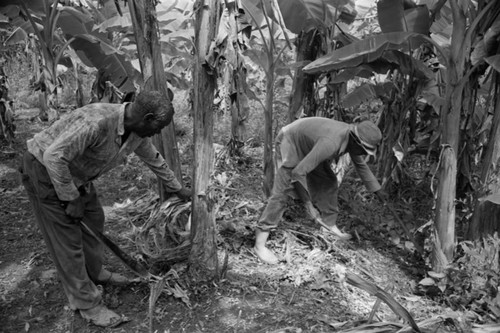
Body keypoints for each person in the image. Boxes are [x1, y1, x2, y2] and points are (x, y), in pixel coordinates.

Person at [19, 90, 191, 327]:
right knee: (67, 241)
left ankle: (95, 272)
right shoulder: (96, 122)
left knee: (94, 220)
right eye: (158, 126)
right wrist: (70, 198)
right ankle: (87, 303)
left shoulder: (136, 132)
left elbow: (153, 158)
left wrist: (177, 188)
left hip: (77, 175)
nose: (158, 132)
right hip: (44, 171)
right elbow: (53, 157)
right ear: (147, 117)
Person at [253, 117, 387, 264]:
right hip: (290, 140)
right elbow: (297, 173)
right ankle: (260, 244)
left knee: (328, 181)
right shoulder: (331, 143)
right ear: (356, 140)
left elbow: (361, 166)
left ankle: (329, 225)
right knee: (281, 194)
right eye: (364, 149)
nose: (363, 153)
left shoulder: (350, 139)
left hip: (309, 145)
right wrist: (308, 205)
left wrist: (377, 190)